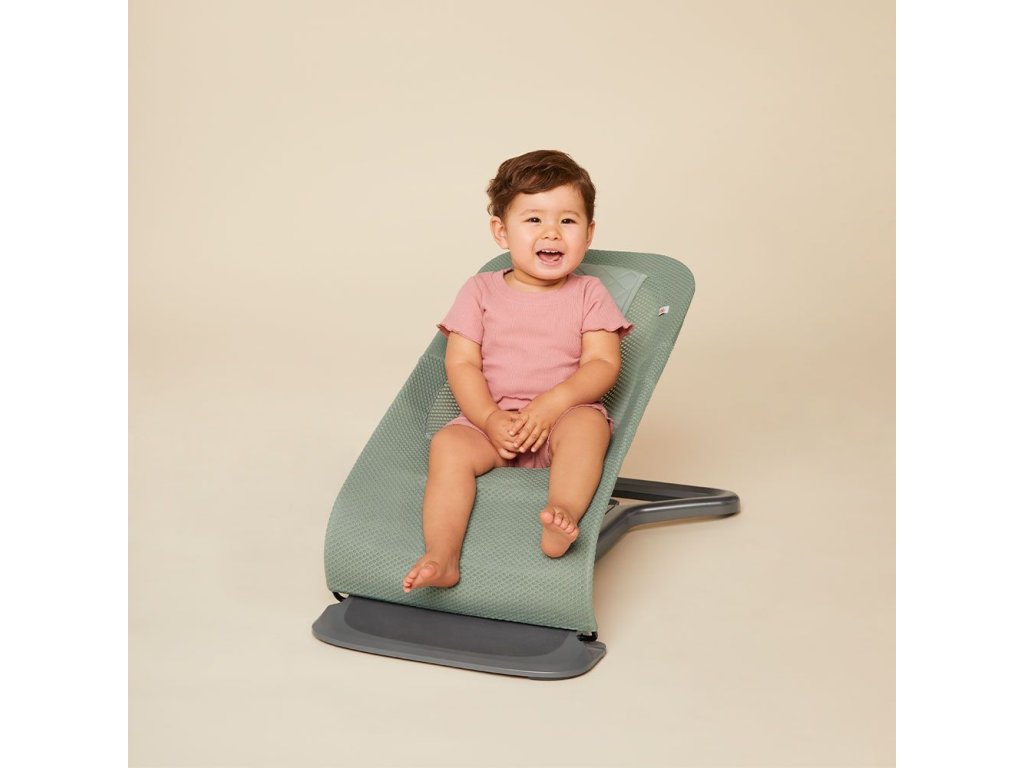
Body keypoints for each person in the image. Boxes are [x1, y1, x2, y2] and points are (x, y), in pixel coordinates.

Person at [402, 150, 633, 593]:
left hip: (561, 419)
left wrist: (554, 403)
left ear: (589, 233)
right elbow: (462, 363)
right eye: (534, 220)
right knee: (449, 445)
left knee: (589, 427)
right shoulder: (479, 290)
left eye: (568, 220)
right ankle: (442, 553)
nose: (552, 232)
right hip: (492, 425)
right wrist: (488, 418)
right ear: (500, 232)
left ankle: (561, 515)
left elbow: (603, 363)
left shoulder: (589, 292)